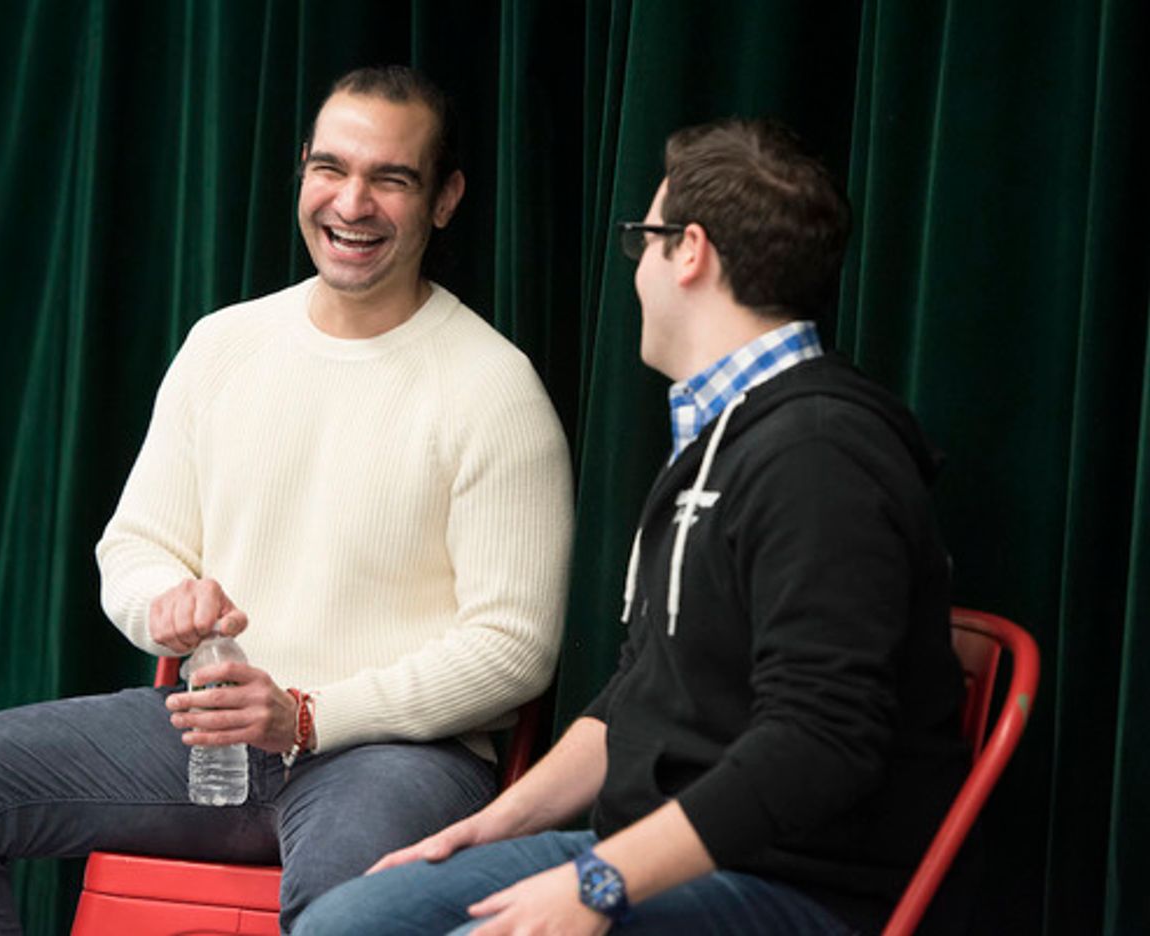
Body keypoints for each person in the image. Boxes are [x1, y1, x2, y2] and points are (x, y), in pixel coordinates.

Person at [0, 65, 574, 935]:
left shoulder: (491, 386)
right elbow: (133, 547)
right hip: (209, 741)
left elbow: (515, 648)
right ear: (302, 171)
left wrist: (310, 716)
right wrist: (164, 603)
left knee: (349, 912)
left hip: (395, 756)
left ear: (445, 198)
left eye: (391, 179)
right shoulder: (225, 344)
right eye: (331, 169)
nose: (351, 204)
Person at [294, 118, 974, 936]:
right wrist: (496, 823)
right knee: (352, 921)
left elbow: (821, 742)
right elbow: (641, 690)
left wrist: (598, 885)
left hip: (786, 887)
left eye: (642, 241)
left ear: (688, 252)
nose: (638, 272)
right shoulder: (722, 437)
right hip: (641, 854)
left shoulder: (820, 456)